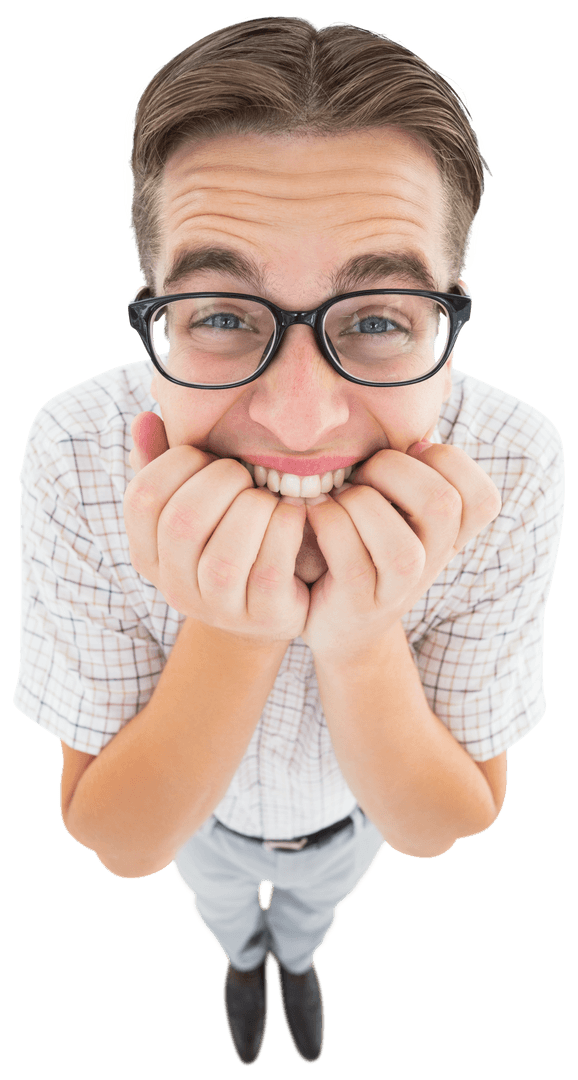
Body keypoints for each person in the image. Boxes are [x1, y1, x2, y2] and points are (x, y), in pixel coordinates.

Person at [14, 15, 564, 1068]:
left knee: (311, 912)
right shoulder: (81, 446)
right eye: (222, 314)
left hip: (348, 827)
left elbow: (439, 821)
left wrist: (361, 637)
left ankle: (298, 964)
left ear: (449, 318)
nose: (302, 418)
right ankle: (238, 961)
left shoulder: (511, 458)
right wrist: (232, 622)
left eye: (377, 317)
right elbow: (121, 840)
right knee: (224, 908)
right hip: (201, 830)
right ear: (155, 311)